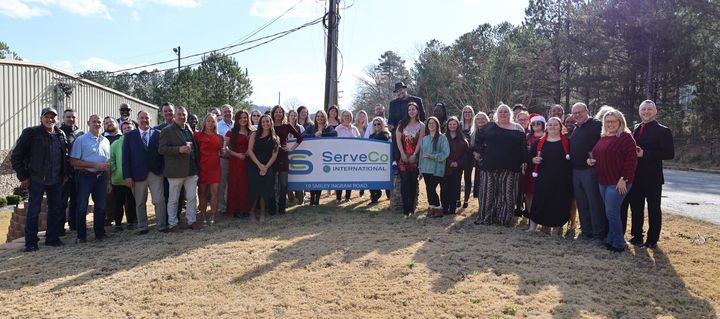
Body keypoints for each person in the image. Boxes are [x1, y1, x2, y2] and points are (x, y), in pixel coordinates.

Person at [11, 107, 68, 251]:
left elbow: (64, 156)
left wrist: (65, 174)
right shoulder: (31, 133)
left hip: (56, 179)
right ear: (41, 118)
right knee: (33, 211)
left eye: (53, 117)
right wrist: (23, 176)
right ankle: (31, 242)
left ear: (57, 119)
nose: (50, 119)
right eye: (46, 117)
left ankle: (52, 238)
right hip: (36, 179)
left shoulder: (60, 134)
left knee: (56, 209)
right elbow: (16, 156)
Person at [623, 100, 675, 249]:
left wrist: (646, 154)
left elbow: (669, 154)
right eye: (643, 109)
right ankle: (637, 236)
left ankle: (652, 239)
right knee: (636, 207)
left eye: (649, 109)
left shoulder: (663, 130)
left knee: (653, 208)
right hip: (635, 176)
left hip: (653, 177)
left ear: (655, 111)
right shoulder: (635, 128)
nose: (646, 111)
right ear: (640, 112)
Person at [587, 109, 637, 252]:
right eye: (607, 121)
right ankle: (610, 239)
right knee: (610, 212)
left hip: (618, 182)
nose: (610, 124)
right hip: (603, 181)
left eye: (613, 121)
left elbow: (631, 161)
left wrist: (624, 179)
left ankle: (619, 243)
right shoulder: (603, 137)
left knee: (612, 213)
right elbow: (597, 154)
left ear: (620, 122)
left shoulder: (626, 137)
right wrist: (590, 160)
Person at [473, 104, 526, 226]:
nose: (503, 113)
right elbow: (478, 140)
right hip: (489, 165)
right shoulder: (489, 127)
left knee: (507, 194)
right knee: (488, 193)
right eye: (501, 111)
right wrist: (479, 152)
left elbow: (523, 148)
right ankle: (486, 218)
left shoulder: (518, 128)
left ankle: (504, 219)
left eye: (506, 112)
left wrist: (524, 161)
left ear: (510, 114)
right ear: (497, 114)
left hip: (511, 167)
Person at [158, 106, 202, 233]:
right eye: (179, 114)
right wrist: (179, 149)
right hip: (176, 171)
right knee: (174, 199)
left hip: (191, 170)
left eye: (184, 114)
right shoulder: (167, 130)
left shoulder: (187, 128)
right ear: (174, 115)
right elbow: (161, 149)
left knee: (192, 197)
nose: (182, 116)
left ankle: (191, 221)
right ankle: (172, 224)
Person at [122, 110, 166, 234]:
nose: (144, 120)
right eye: (141, 118)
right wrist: (127, 176)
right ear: (137, 119)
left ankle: (161, 226)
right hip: (137, 175)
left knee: (159, 200)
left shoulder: (158, 134)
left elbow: (163, 154)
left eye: (146, 118)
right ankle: (142, 226)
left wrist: (163, 170)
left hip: (156, 173)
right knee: (140, 202)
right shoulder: (130, 136)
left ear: (150, 120)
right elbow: (125, 158)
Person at [70, 114, 111, 243]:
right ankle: (81, 236)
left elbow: (107, 163)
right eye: (94, 121)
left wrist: (108, 181)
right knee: (82, 206)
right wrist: (94, 165)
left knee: (101, 206)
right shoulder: (81, 140)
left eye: (99, 122)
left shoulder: (105, 141)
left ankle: (100, 233)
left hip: (101, 178)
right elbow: (73, 161)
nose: (97, 124)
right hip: (85, 177)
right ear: (88, 123)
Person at [527, 117, 573, 234]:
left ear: (560, 127)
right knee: (539, 201)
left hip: (561, 179)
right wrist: (533, 159)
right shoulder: (538, 142)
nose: (552, 127)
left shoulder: (567, 143)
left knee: (558, 202)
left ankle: (556, 229)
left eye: (555, 125)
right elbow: (529, 157)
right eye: (550, 125)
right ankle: (532, 227)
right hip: (543, 178)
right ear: (546, 127)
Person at [569, 102, 605, 245]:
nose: (577, 115)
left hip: (590, 171)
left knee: (594, 203)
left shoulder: (596, 125)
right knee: (582, 203)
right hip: (576, 171)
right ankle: (586, 232)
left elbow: (604, 143)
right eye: (575, 113)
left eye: (580, 112)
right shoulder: (577, 128)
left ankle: (598, 235)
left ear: (587, 111)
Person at [247, 115, 280, 223]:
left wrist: (265, 167)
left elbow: (274, 156)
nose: (265, 123)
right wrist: (259, 165)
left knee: (264, 191)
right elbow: (250, 151)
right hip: (254, 166)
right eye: (263, 122)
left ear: (271, 123)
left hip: (267, 167)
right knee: (254, 190)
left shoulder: (275, 138)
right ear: (260, 124)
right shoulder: (254, 134)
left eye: (267, 121)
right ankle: (251, 212)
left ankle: (262, 213)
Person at [271, 105, 303, 214]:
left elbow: (300, 138)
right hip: (271, 157)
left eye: (280, 112)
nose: (278, 114)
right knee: (273, 184)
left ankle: (281, 207)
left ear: (283, 114)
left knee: (284, 184)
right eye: (276, 112)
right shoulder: (269, 125)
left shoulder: (287, 126)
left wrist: (291, 148)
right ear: (273, 113)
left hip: (283, 157)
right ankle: (272, 207)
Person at [396, 102, 425, 216]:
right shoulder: (401, 124)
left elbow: (420, 141)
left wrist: (415, 155)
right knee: (404, 183)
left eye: (413, 109)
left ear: (417, 111)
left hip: (414, 158)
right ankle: (405, 208)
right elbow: (398, 140)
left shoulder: (421, 125)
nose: (411, 111)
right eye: (409, 109)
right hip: (403, 157)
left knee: (413, 183)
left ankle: (411, 208)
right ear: (407, 112)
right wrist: (402, 154)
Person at [303, 110, 338, 205]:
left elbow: (335, 134)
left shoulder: (329, 128)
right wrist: (314, 135)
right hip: (312, 156)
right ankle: (311, 200)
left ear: (325, 118)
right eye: (318, 116)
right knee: (312, 178)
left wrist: (322, 134)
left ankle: (317, 199)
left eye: (322, 116)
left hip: (324, 157)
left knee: (319, 178)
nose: (319, 118)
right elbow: (303, 136)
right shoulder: (311, 127)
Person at [194, 114, 223, 224]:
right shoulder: (197, 136)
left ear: (216, 123)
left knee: (215, 192)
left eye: (213, 121)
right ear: (205, 122)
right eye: (208, 121)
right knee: (202, 192)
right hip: (202, 167)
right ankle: (202, 214)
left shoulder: (219, 137)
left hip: (215, 167)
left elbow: (221, 151)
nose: (210, 123)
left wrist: (225, 151)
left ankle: (213, 215)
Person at [109, 121, 138, 232]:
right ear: (121, 130)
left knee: (131, 202)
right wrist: (115, 170)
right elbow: (111, 159)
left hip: (134, 179)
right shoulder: (116, 143)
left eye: (129, 128)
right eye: (125, 128)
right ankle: (118, 224)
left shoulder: (137, 142)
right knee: (118, 203)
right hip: (118, 179)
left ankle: (130, 222)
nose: (127, 130)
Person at [388, 82, 426, 163]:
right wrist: (391, 125)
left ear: (405, 89)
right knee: (395, 136)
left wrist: (416, 127)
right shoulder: (393, 103)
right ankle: (395, 161)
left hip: (415, 129)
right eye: (397, 91)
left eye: (401, 90)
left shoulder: (417, 100)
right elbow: (391, 119)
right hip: (400, 130)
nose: (399, 93)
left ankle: (419, 160)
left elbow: (423, 116)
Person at [419, 116, 449, 217]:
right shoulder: (425, 138)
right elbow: (421, 155)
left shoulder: (442, 137)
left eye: (433, 123)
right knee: (429, 190)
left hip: (437, 169)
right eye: (429, 123)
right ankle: (432, 208)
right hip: (426, 168)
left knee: (432, 189)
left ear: (437, 125)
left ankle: (438, 209)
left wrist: (432, 156)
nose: (431, 125)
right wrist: (420, 169)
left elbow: (445, 153)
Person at [226, 110, 253, 217]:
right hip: (236, 161)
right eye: (240, 118)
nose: (243, 120)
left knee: (246, 184)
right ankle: (236, 209)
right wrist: (237, 155)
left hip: (248, 161)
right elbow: (226, 147)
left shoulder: (251, 132)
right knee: (236, 184)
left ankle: (245, 209)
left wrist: (247, 152)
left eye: (245, 117)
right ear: (237, 120)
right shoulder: (231, 132)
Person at [59, 108, 82, 233]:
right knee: (62, 201)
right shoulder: (58, 132)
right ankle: (59, 227)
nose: (71, 119)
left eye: (73, 117)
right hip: (64, 173)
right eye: (68, 117)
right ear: (63, 118)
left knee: (76, 200)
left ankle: (74, 225)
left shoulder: (80, 133)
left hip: (77, 172)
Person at [441, 116, 467, 216]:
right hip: (445, 167)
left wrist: (458, 163)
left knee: (455, 187)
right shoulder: (442, 137)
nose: (452, 126)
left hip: (457, 168)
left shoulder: (462, 139)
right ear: (447, 125)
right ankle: (444, 207)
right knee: (445, 188)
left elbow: (465, 155)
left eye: (454, 124)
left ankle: (452, 208)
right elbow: (441, 151)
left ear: (457, 125)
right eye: (450, 124)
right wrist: (449, 162)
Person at [521, 115, 546, 219]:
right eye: (533, 124)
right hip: (529, 168)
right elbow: (522, 151)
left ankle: (541, 215)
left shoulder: (547, 136)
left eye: (538, 123)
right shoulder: (527, 137)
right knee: (529, 192)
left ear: (543, 125)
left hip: (542, 168)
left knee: (540, 193)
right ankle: (531, 215)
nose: (536, 125)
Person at [334, 109, 361, 203]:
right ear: (342, 117)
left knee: (350, 177)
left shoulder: (355, 129)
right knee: (340, 178)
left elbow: (359, 142)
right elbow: (334, 143)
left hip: (352, 157)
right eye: (345, 116)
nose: (347, 117)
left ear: (351, 117)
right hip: (340, 157)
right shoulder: (337, 129)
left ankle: (347, 197)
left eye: (349, 116)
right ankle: (338, 198)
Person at [102, 116, 122, 226]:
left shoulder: (123, 136)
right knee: (109, 196)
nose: (109, 124)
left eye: (111, 122)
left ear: (117, 124)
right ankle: (109, 217)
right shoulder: (101, 138)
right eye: (106, 123)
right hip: (107, 172)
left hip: (122, 171)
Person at [368, 117, 391, 203]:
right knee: (371, 180)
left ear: (382, 124)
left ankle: (388, 195)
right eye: (375, 124)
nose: (377, 126)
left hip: (383, 161)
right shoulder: (371, 136)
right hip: (373, 161)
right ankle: (375, 196)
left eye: (378, 124)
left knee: (384, 179)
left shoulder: (385, 134)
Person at [216, 104, 234, 215]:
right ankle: (222, 206)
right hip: (223, 158)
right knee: (222, 183)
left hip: (236, 158)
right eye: (225, 112)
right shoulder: (218, 126)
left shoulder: (237, 124)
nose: (227, 113)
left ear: (233, 112)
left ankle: (230, 204)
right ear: (222, 113)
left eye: (229, 111)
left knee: (232, 182)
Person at [286, 109, 305, 205]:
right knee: (288, 176)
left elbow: (304, 140)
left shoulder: (300, 128)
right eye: (291, 115)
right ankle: (291, 198)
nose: (293, 117)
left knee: (298, 176)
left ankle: (300, 198)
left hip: (298, 154)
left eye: (295, 115)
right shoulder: (284, 127)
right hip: (286, 154)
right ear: (288, 116)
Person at [460, 105, 475, 209]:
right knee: (457, 177)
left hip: (470, 156)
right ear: (463, 113)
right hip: (459, 155)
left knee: (467, 178)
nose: (467, 114)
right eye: (465, 112)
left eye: (469, 112)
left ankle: (465, 200)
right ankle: (457, 199)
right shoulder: (459, 125)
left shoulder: (475, 125)